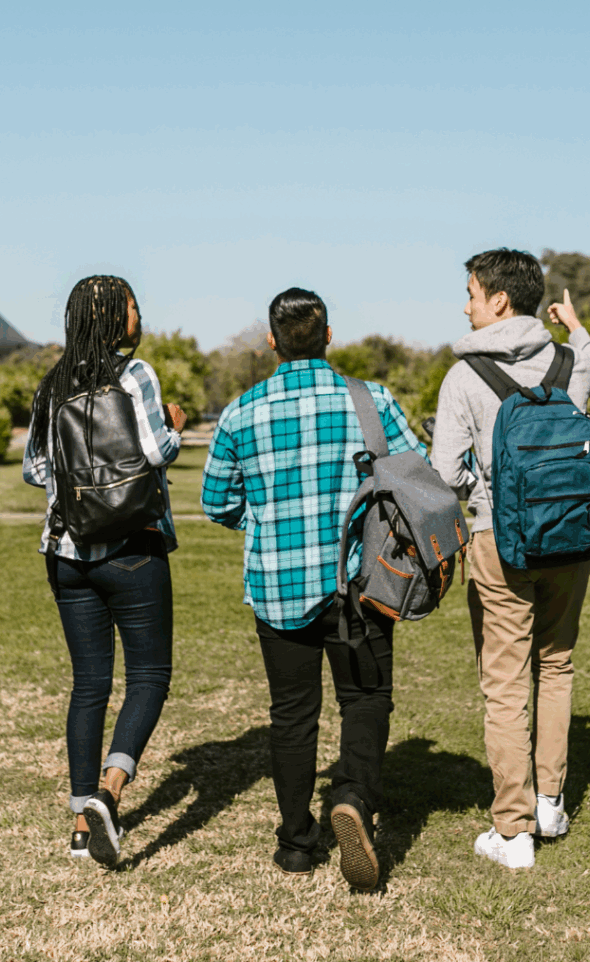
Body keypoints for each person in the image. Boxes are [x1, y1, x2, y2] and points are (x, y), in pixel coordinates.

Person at [200, 288, 428, 890]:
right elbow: (417, 475)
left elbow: (216, 502)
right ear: (329, 334)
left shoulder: (240, 411)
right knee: (366, 699)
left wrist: (267, 521)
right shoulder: (371, 401)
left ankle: (298, 844)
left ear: (271, 340)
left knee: (292, 716)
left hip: (279, 586)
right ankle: (353, 796)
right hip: (360, 583)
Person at [431, 249, 590, 870]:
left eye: (472, 293)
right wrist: (576, 325)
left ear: (498, 300)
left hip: (499, 543)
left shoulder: (464, 376)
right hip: (570, 538)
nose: (466, 305)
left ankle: (513, 831)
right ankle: (551, 802)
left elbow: (446, 473)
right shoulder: (569, 362)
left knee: (504, 684)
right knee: (556, 666)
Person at [23, 275, 186, 867]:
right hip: (132, 546)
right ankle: (110, 795)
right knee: (150, 674)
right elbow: (154, 452)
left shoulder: (51, 385)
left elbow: (35, 469)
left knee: (89, 685)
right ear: (117, 319)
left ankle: (77, 827)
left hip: (66, 551)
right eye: (135, 307)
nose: (140, 315)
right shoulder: (134, 375)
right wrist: (175, 422)